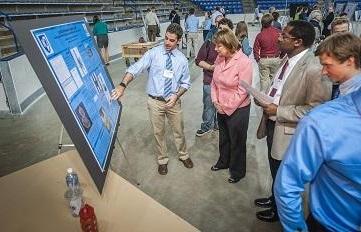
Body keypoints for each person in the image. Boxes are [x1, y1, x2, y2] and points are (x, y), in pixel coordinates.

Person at [275, 33, 361, 231]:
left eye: (328, 65)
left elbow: (288, 185)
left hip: (331, 222)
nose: (323, 72)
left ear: (350, 61)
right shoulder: (339, 93)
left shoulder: (322, 120)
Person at [254, 20, 331, 222]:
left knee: (285, 178)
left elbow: (316, 109)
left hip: (288, 131)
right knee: (275, 169)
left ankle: (281, 213)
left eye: (284, 36)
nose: (278, 37)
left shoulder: (314, 68)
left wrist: (279, 111)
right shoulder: (286, 59)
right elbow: (279, 88)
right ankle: (274, 199)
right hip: (272, 122)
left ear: (297, 41)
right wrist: (263, 97)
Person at [110, 23, 194, 175]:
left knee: (179, 131)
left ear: (179, 40)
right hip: (154, 101)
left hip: (173, 101)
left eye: (172, 40)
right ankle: (162, 159)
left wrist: (176, 95)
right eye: (166, 38)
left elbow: (186, 82)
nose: (167, 42)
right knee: (158, 132)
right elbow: (135, 69)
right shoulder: (153, 53)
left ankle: (183, 155)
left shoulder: (181, 60)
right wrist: (122, 85)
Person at [210, 28, 253, 183]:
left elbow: (243, 91)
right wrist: (215, 101)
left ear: (229, 45)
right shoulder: (220, 58)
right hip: (220, 105)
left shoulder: (244, 62)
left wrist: (226, 107)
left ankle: (237, 171)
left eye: (219, 46)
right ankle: (223, 162)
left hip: (238, 109)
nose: (216, 49)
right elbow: (214, 82)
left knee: (237, 141)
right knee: (224, 138)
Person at [195, 17, 234, 137]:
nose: (221, 32)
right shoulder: (209, 43)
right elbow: (199, 60)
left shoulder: (233, 47)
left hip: (225, 83)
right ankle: (207, 125)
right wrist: (211, 67)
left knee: (222, 105)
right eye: (220, 29)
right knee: (208, 105)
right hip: (209, 80)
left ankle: (219, 125)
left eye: (225, 30)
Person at [253, 13, 281, 92]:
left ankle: (263, 98)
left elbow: (255, 49)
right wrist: (280, 56)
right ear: (272, 22)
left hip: (264, 59)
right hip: (276, 58)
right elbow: (283, 45)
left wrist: (258, 59)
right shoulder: (278, 32)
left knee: (264, 80)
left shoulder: (260, 35)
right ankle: (273, 97)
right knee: (275, 79)